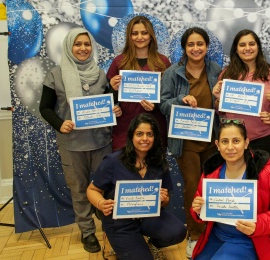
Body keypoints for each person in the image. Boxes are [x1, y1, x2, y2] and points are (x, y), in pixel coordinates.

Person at [39, 27, 121, 253]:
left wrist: (115, 107)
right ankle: (87, 232)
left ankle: (110, 227)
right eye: (78, 44)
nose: (83, 48)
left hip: (101, 141)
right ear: (69, 47)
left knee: (106, 188)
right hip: (72, 144)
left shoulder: (100, 74)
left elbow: (108, 103)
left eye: (87, 44)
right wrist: (59, 123)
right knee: (79, 189)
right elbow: (45, 108)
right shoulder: (55, 75)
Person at [190, 118, 270, 260]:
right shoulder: (211, 172)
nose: (230, 147)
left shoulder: (267, 173)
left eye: (236, 141)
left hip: (250, 239)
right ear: (217, 145)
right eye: (225, 141)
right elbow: (200, 214)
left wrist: (257, 225)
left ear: (246, 143)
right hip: (216, 236)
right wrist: (197, 210)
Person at [86, 114, 187, 260]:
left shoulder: (159, 162)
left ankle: (149, 244)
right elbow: (92, 190)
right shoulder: (113, 161)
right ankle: (114, 240)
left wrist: (163, 199)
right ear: (131, 136)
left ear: (155, 137)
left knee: (178, 232)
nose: (144, 139)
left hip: (149, 217)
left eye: (149, 134)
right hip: (120, 223)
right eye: (139, 134)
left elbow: (166, 200)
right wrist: (100, 203)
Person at [159, 27, 222, 258]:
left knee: (213, 188)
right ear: (184, 48)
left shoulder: (216, 69)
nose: (196, 48)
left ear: (206, 46)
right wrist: (179, 100)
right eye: (191, 44)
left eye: (200, 44)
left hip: (212, 140)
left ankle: (213, 232)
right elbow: (163, 105)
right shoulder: (172, 72)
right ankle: (195, 235)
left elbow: (222, 103)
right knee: (193, 188)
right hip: (185, 142)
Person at [212, 29, 270, 157]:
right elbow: (220, 111)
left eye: (251, 44)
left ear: (258, 47)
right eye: (242, 45)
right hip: (233, 139)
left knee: (260, 176)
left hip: (264, 138)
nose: (247, 48)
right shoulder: (226, 74)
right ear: (236, 49)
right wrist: (218, 100)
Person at [107, 15, 171, 151]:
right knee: (125, 170)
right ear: (129, 36)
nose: (139, 37)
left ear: (151, 35)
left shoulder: (163, 62)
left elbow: (169, 98)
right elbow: (109, 101)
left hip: (154, 126)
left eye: (144, 33)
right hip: (125, 127)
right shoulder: (119, 62)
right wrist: (112, 89)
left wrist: (155, 107)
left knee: (153, 170)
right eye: (134, 33)